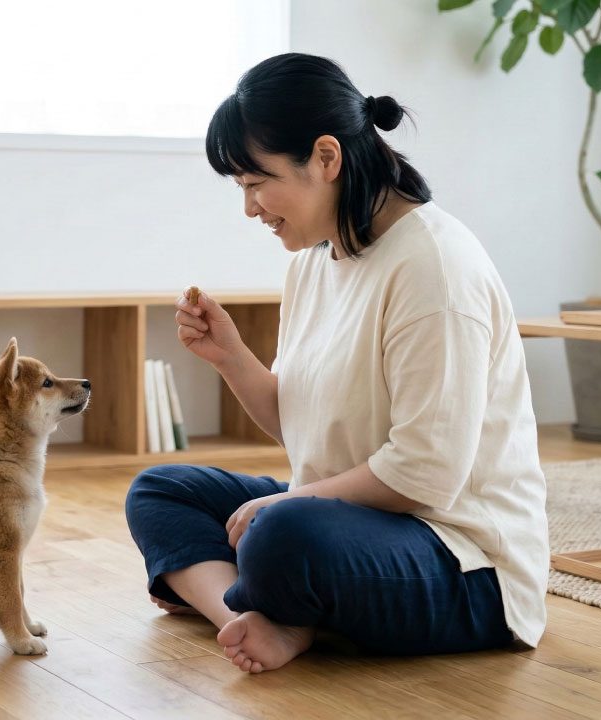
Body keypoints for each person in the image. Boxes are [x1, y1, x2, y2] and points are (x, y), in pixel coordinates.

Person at [124, 53, 548, 674]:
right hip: (348, 515)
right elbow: (304, 426)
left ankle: (280, 609)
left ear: (326, 158)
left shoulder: (434, 266)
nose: (249, 207)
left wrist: (289, 507)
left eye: (255, 182)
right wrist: (231, 357)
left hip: (463, 561)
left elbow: (425, 476)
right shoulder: (315, 259)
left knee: (280, 534)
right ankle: (252, 621)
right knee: (161, 490)